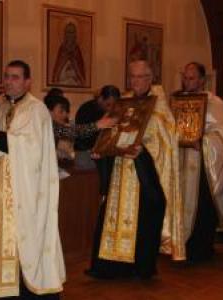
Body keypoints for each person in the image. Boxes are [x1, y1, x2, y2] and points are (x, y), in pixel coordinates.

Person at [0, 60, 65, 299]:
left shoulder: (36, 109)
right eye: (7, 77)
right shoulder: (2, 109)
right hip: (0, 190)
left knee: (24, 239)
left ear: (28, 82)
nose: (9, 82)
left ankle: (22, 291)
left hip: (24, 192)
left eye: (15, 77)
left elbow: (31, 148)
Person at [86, 60, 183, 279]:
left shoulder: (159, 105)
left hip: (143, 173)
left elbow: (166, 138)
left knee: (145, 219)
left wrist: (143, 149)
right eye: (132, 76)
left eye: (140, 77)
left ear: (150, 78)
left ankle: (140, 267)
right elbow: (112, 130)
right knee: (111, 216)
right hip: (120, 170)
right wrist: (102, 148)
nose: (135, 81)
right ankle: (109, 266)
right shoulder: (124, 103)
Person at [162, 62, 223, 262]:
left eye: (192, 78)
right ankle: (178, 246)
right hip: (179, 161)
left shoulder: (214, 103)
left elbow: (222, 134)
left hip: (201, 164)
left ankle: (199, 250)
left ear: (202, 80)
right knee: (177, 203)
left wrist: (201, 143)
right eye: (185, 77)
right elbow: (169, 127)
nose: (187, 81)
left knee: (201, 206)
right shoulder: (176, 100)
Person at [74, 85, 119, 169]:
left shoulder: (112, 111)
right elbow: (79, 134)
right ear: (101, 98)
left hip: (103, 154)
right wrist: (98, 125)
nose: (110, 108)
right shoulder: (86, 109)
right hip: (86, 154)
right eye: (108, 104)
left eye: (114, 105)